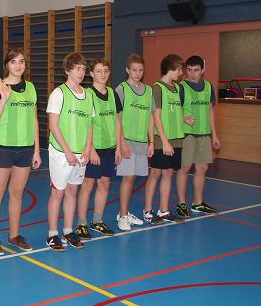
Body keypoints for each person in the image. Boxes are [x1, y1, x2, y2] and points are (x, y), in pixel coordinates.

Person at [0, 48, 42, 256]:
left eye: (21, 61)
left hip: (25, 149)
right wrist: (3, 98)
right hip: (3, 147)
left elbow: (34, 120)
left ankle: (14, 235)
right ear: (7, 65)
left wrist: (36, 150)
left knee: (17, 193)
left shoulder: (31, 88)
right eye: (13, 62)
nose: (18, 66)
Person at [46, 53, 94, 251]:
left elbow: (90, 124)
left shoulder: (89, 94)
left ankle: (68, 230)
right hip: (61, 152)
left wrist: (88, 148)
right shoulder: (59, 93)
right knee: (58, 192)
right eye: (76, 69)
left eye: (83, 69)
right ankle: (52, 234)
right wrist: (67, 151)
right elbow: (53, 125)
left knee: (73, 191)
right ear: (67, 70)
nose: (80, 73)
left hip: (80, 153)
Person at [75, 59, 122, 240]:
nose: (103, 74)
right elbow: (85, 123)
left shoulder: (112, 93)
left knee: (104, 184)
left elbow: (117, 121)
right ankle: (81, 224)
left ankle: (97, 221)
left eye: (106, 71)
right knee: (87, 185)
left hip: (110, 148)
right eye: (99, 71)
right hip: (93, 149)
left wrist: (118, 148)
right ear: (91, 73)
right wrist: (91, 149)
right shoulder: (87, 94)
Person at [175, 56, 221, 218]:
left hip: (204, 133)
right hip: (187, 134)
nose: (192, 74)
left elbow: (210, 111)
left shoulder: (208, 87)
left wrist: (214, 135)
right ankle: (181, 204)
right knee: (185, 168)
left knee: (202, 168)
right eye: (189, 70)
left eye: (196, 70)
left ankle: (198, 203)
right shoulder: (180, 87)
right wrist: (183, 118)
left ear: (202, 71)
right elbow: (172, 111)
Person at [142, 54, 185, 223]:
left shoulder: (177, 88)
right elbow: (156, 117)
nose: (181, 73)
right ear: (169, 69)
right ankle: (147, 210)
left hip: (177, 137)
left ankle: (164, 211)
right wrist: (165, 141)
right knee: (156, 173)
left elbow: (173, 112)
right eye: (179, 69)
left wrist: (184, 119)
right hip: (162, 139)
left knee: (168, 174)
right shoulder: (157, 88)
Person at [115, 53, 153, 232]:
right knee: (128, 177)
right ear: (127, 70)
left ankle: (123, 212)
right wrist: (121, 143)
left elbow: (151, 117)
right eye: (134, 70)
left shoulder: (148, 90)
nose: (138, 73)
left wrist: (151, 141)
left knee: (134, 177)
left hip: (142, 141)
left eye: (141, 70)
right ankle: (123, 216)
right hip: (127, 140)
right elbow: (117, 118)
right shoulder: (121, 89)